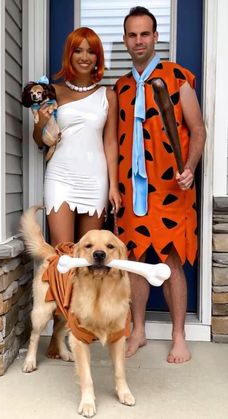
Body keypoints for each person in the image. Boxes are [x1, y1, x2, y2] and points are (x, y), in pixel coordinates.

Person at [115, 7, 206, 363]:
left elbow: (197, 129)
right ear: (125, 40)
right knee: (136, 259)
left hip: (172, 185)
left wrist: (191, 166)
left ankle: (179, 335)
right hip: (131, 188)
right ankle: (137, 330)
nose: (138, 41)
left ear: (156, 37)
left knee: (171, 259)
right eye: (132, 35)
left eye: (144, 34)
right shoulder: (120, 88)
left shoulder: (177, 78)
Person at [33, 27, 121, 358]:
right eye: (78, 50)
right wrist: (42, 122)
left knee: (89, 261)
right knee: (63, 259)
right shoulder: (50, 91)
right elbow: (39, 139)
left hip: (95, 178)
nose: (84, 56)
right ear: (69, 55)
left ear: (98, 57)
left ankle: (78, 332)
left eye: (91, 51)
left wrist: (113, 185)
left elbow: (110, 142)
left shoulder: (107, 94)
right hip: (62, 177)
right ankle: (58, 333)